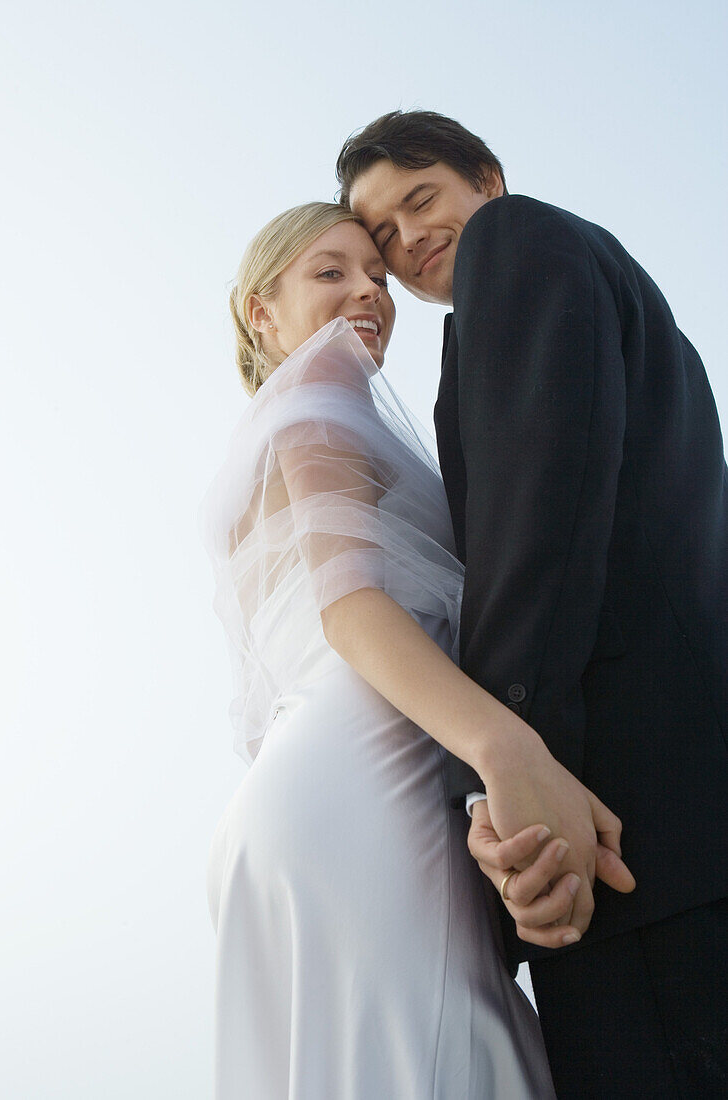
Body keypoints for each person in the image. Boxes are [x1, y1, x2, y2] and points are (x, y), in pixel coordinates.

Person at [337, 109, 728, 1097]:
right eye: (381, 234)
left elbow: (537, 525)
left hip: (620, 831)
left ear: (487, 178)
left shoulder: (520, 242)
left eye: (420, 199)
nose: (408, 238)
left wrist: (518, 794)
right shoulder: (611, 291)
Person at [202, 201, 569, 1097]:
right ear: (263, 311)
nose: (369, 290)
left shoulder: (267, 437)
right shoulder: (320, 394)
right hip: (371, 782)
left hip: (300, 795)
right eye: (329, 273)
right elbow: (352, 611)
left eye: (375, 275)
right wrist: (508, 747)